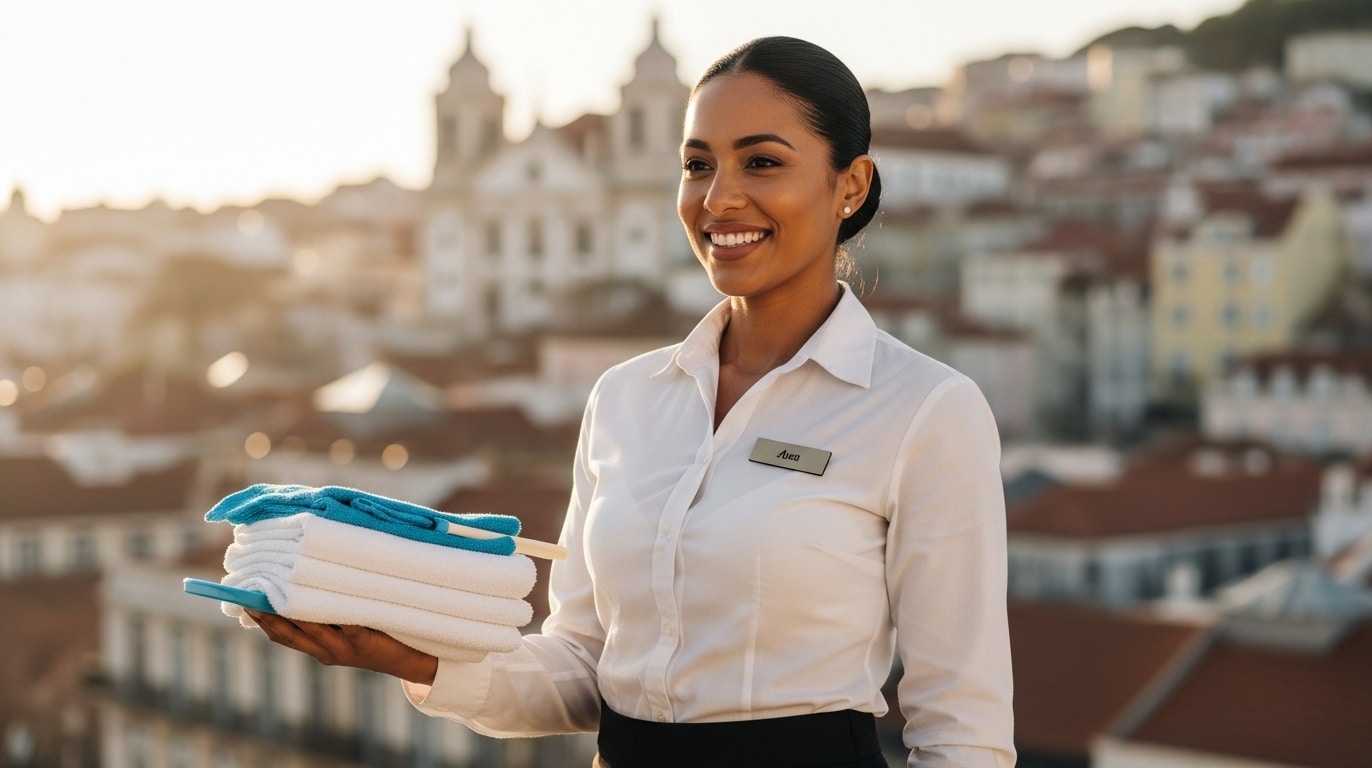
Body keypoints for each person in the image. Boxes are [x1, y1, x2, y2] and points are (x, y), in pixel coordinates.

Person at [247, 35, 1015, 768]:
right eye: (697, 164)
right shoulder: (626, 399)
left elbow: (965, 727)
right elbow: (584, 664)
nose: (721, 198)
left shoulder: (924, 410)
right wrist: (412, 657)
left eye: (763, 162)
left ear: (850, 184)